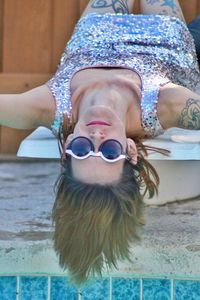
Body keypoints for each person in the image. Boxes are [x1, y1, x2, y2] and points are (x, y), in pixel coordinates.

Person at [1, 0, 200, 286]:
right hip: (163, 35)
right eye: (109, 152)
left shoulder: (49, 106)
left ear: (67, 146)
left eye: (81, 150)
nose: (96, 138)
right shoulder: (166, 107)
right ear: (130, 151)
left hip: (97, 32)